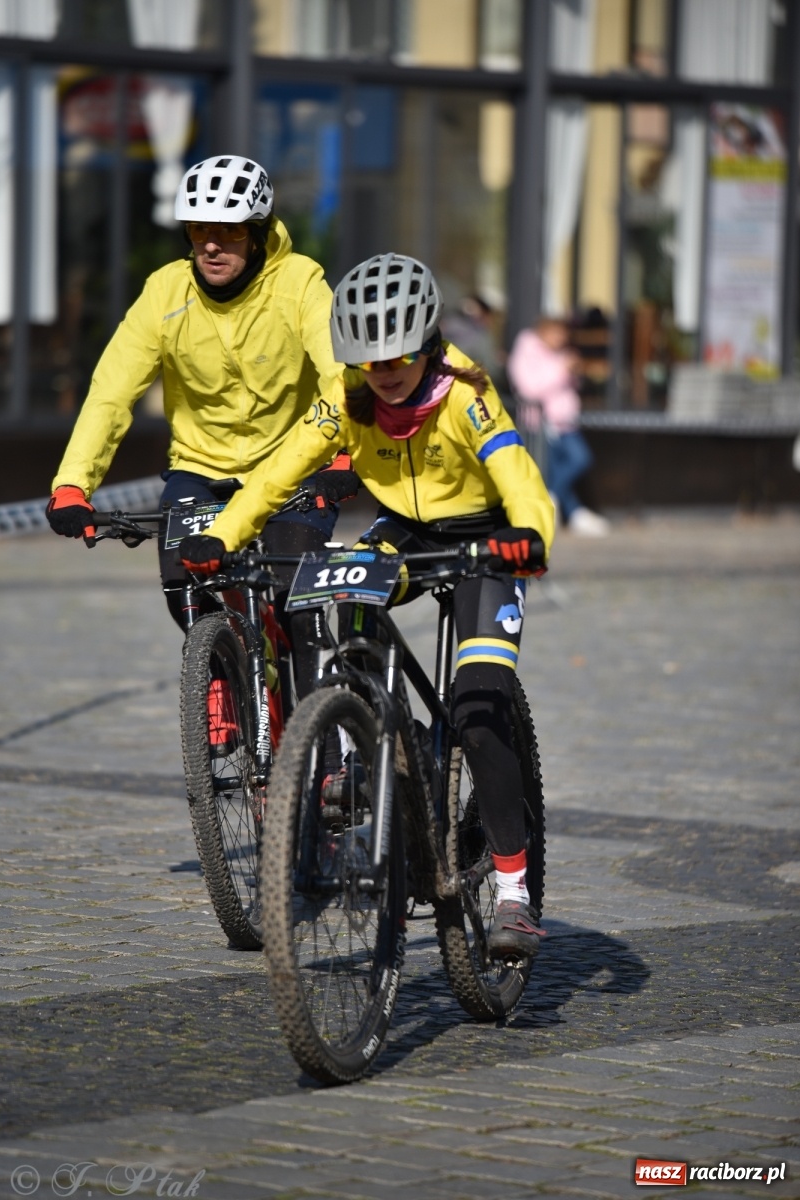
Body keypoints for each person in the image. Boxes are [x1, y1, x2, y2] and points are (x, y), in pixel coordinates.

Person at [177, 252, 556, 961]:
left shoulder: (465, 391)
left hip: (484, 541)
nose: (384, 372)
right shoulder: (349, 397)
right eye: (370, 359)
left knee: (477, 706)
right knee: (335, 604)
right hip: (405, 534)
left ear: (427, 343)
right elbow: (280, 470)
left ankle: (513, 892)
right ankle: (370, 737)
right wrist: (220, 535)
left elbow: (516, 469)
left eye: (399, 357)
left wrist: (528, 534)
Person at [44, 153, 358, 702]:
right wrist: (73, 485)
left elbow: (341, 377)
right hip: (200, 469)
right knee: (184, 587)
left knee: (295, 601)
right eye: (198, 229)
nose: (211, 244)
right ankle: (220, 681)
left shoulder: (301, 283)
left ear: (257, 235)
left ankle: (327, 754)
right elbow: (112, 392)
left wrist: (341, 457)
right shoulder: (165, 293)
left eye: (229, 230)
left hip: (294, 468)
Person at [507, 315, 610, 536]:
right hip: (541, 424)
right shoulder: (527, 351)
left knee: (571, 464)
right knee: (569, 462)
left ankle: (561, 505)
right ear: (544, 332)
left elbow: (567, 387)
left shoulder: (561, 353)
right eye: (557, 333)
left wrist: (574, 372)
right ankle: (569, 511)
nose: (561, 338)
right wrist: (562, 369)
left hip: (565, 422)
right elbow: (530, 389)